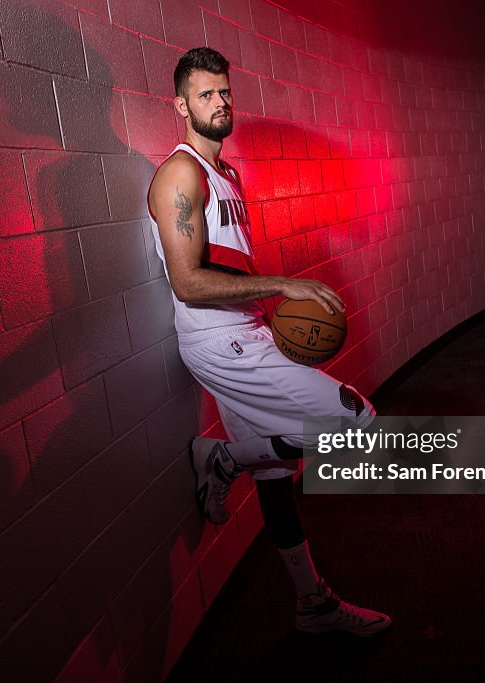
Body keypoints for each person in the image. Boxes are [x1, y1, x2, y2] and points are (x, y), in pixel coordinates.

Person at [146, 47, 392, 637]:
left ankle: (313, 606)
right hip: (217, 341)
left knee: (277, 479)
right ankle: (224, 458)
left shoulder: (225, 173)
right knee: (357, 422)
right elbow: (187, 282)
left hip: (246, 329)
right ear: (181, 105)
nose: (220, 103)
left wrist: (267, 301)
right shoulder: (180, 174)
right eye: (206, 95)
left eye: (225, 92)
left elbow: (227, 269)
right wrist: (283, 282)